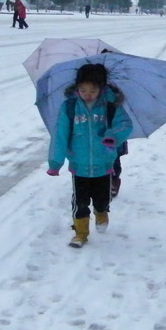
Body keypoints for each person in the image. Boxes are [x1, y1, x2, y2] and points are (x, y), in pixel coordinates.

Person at [46, 64, 133, 247]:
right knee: (80, 202)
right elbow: (60, 135)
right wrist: (55, 162)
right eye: (83, 90)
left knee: (101, 199)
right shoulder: (70, 107)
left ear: (101, 88)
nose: (87, 94)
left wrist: (112, 136)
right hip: (79, 165)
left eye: (93, 90)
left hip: (103, 163)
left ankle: (101, 213)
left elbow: (125, 124)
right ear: (77, 88)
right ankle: (81, 234)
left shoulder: (110, 106)